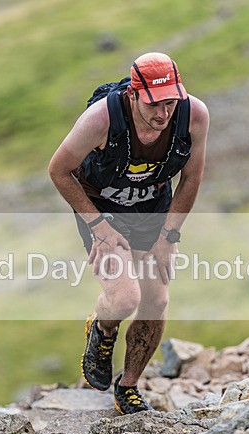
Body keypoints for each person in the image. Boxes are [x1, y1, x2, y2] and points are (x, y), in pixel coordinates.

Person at [48, 52, 209, 414]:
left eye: (170, 102)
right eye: (154, 104)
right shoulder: (101, 119)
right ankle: (102, 331)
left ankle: (129, 387)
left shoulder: (193, 115)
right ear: (134, 95)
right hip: (100, 206)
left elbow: (192, 177)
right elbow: (59, 170)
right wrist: (98, 225)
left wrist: (169, 237)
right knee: (124, 298)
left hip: (152, 209)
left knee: (157, 301)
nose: (163, 113)